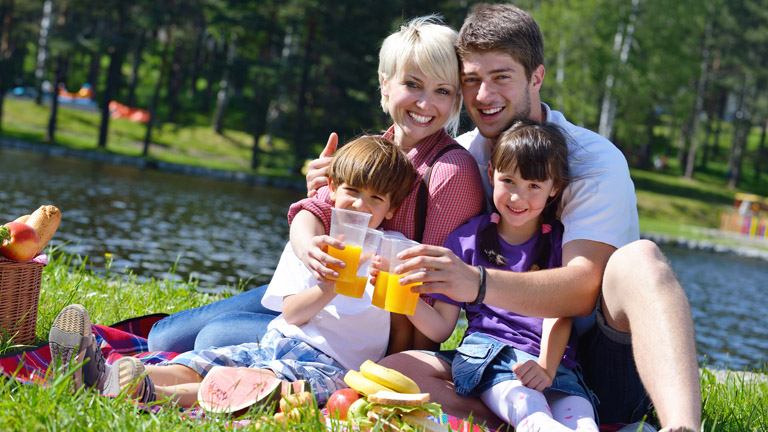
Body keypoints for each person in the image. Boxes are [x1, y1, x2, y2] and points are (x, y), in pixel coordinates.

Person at [363, 4, 700, 432]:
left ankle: (680, 426)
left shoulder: (593, 159)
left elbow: (581, 289)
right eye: (471, 81)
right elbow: (392, 188)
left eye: (501, 77)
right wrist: (331, 184)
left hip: (596, 363)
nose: (484, 96)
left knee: (642, 261)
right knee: (398, 371)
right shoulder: (467, 156)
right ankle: (536, 421)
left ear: (536, 77)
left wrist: (477, 282)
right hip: (500, 360)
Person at [145, 15, 484, 356]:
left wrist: (398, 367)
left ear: (455, 101)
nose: (425, 104)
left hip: (361, 331)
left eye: (442, 91)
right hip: (321, 292)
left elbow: (434, 296)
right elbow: (314, 211)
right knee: (163, 339)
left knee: (213, 338)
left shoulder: (450, 172)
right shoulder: (373, 147)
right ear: (385, 85)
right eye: (412, 84)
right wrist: (309, 248)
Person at [48, 136, 417, 407]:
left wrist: (382, 382)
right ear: (332, 189)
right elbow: (290, 313)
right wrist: (328, 288)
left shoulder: (393, 252)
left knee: (255, 385)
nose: (360, 205)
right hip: (279, 340)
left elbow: (400, 327)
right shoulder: (312, 242)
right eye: (352, 190)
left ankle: (145, 391)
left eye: (375, 199)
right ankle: (105, 374)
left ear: (392, 208)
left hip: (336, 368)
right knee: (204, 363)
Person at [405, 120, 600, 432]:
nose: (517, 198)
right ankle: (533, 423)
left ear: (555, 188)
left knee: (582, 419)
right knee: (527, 409)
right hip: (490, 356)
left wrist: (547, 367)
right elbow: (442, 327)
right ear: (491, 173)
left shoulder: (561, 242)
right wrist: (405, 299)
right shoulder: (466, 240)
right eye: (508, 181)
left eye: (534, 186)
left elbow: (559, 311)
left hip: (552, 362)